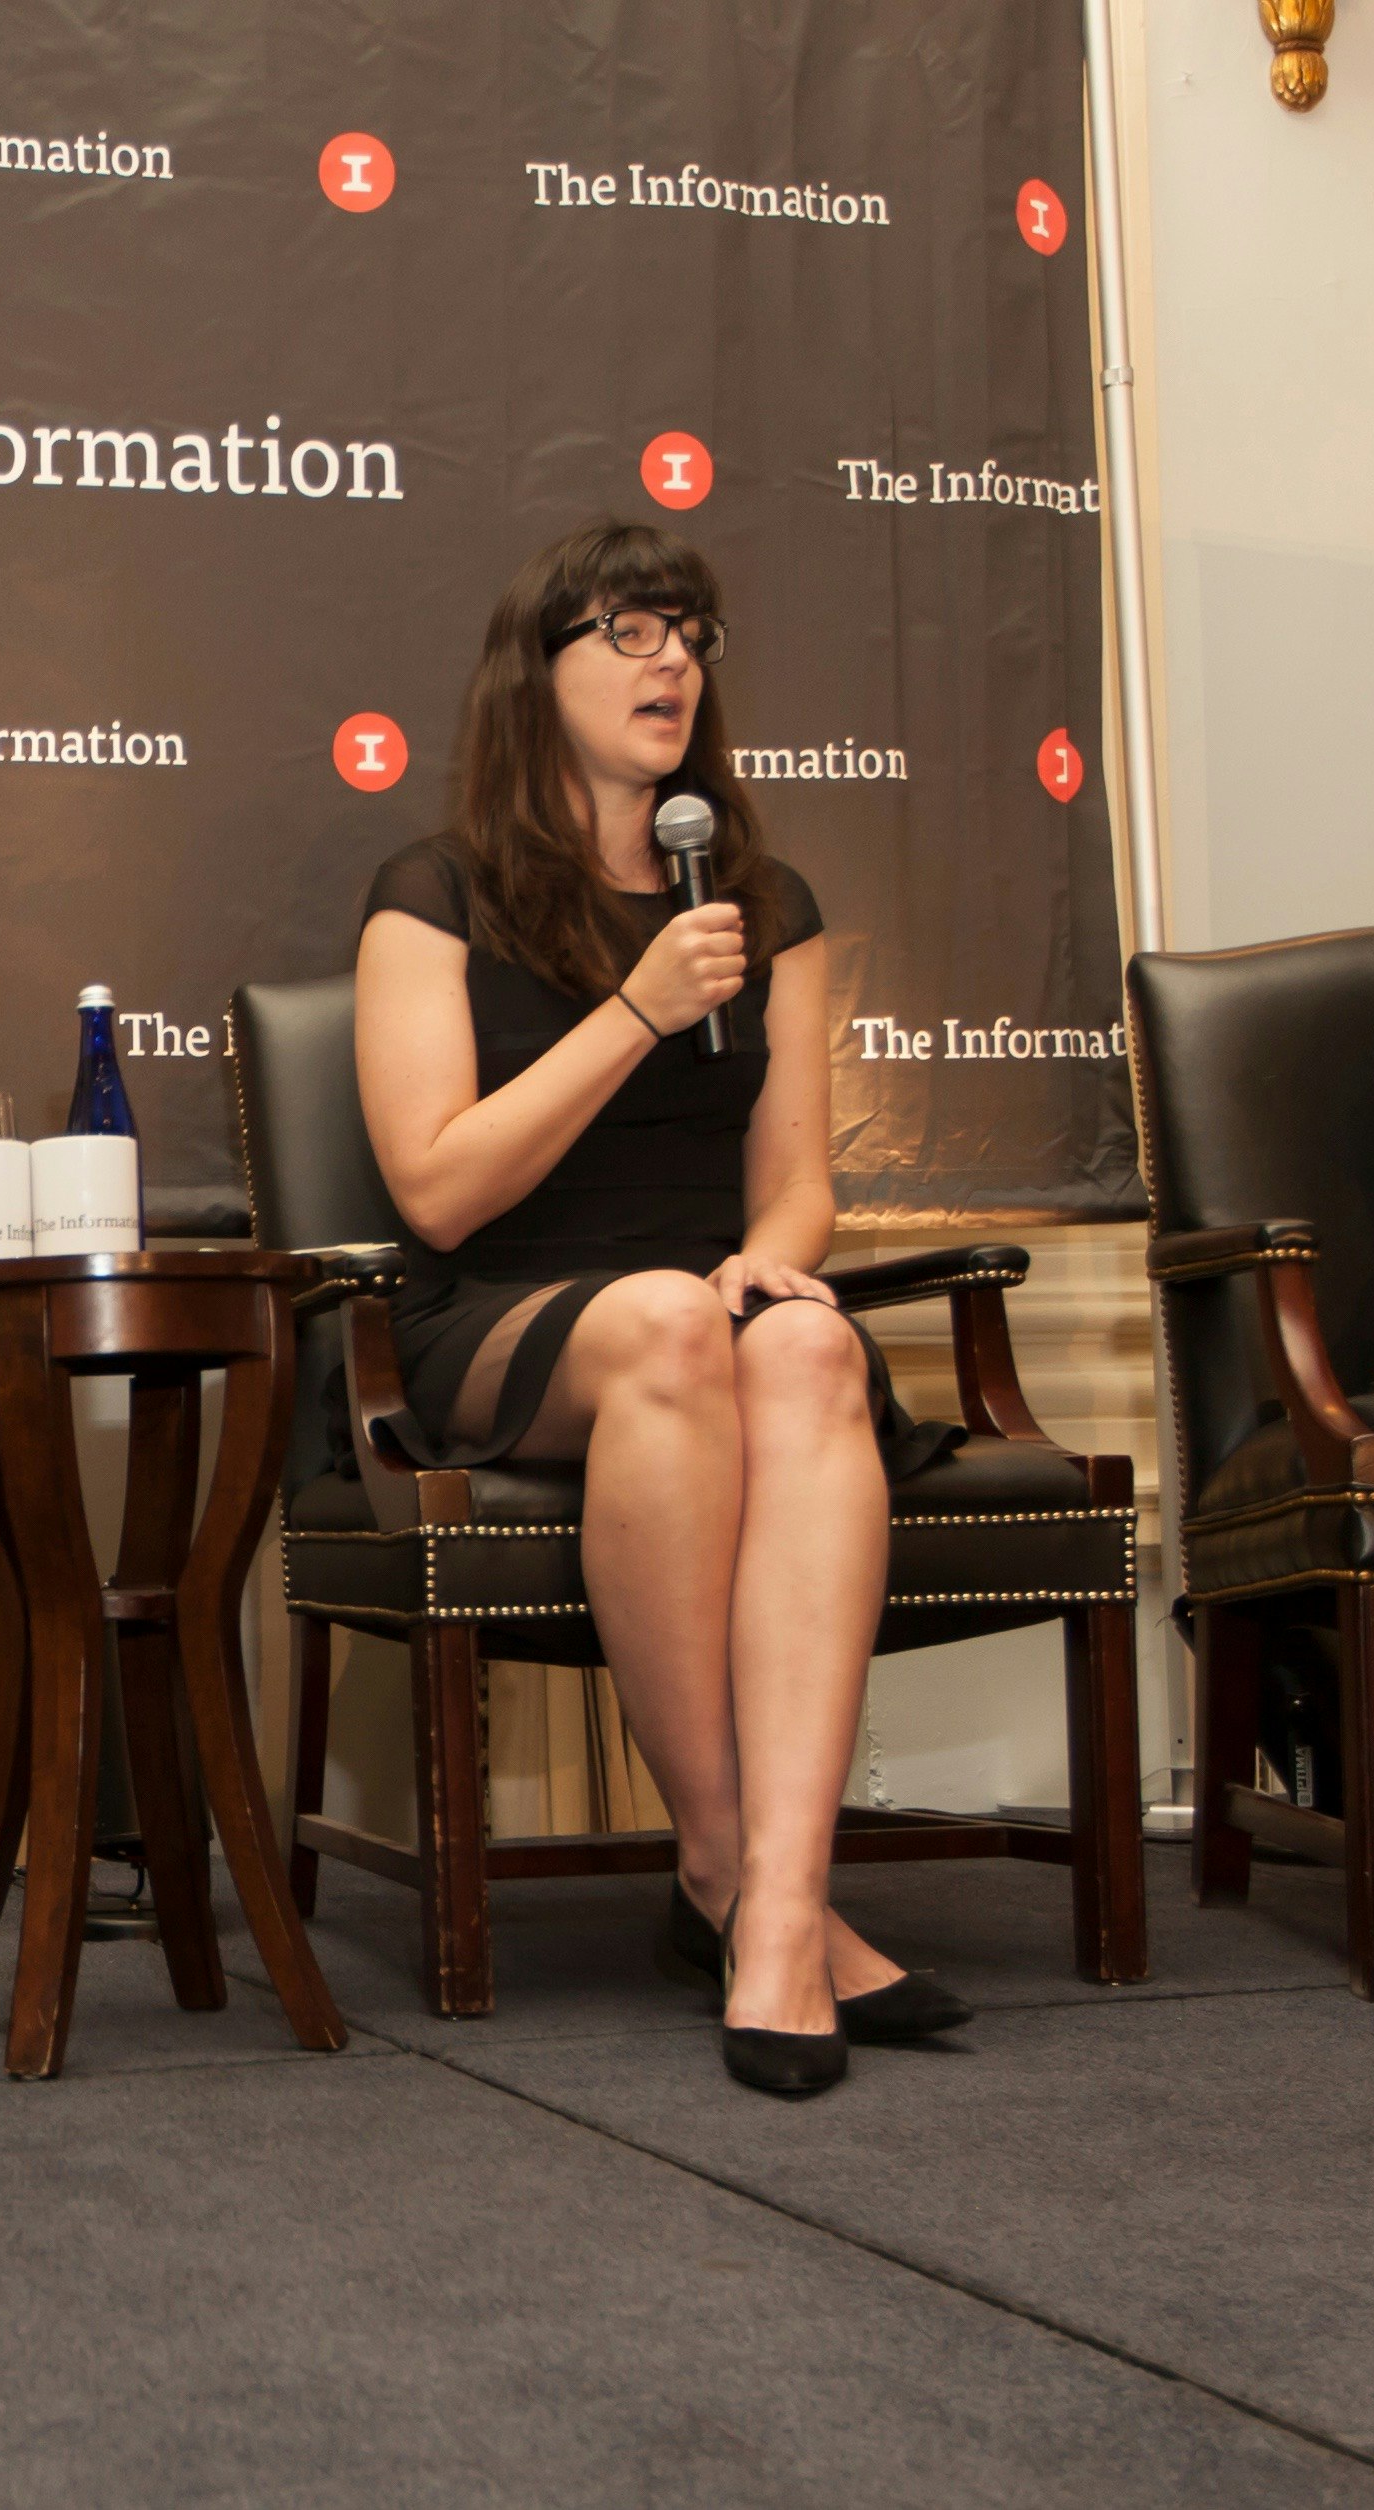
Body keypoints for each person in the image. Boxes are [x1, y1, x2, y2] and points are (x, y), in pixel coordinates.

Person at [351, 518, 965, 2098]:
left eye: (689, 627)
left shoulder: (765, 900)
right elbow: (436, 1188)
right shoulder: (434, 892)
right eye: (627, 629)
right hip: (500, 1313)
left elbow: (800, 1179)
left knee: (808, 1334)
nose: (672, 658)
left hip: (711, 1301)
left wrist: (777, 1254)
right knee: (676, 1325)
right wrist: (638, 1008)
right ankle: (728, 1870)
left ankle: (777, 1905)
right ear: (533, 671)